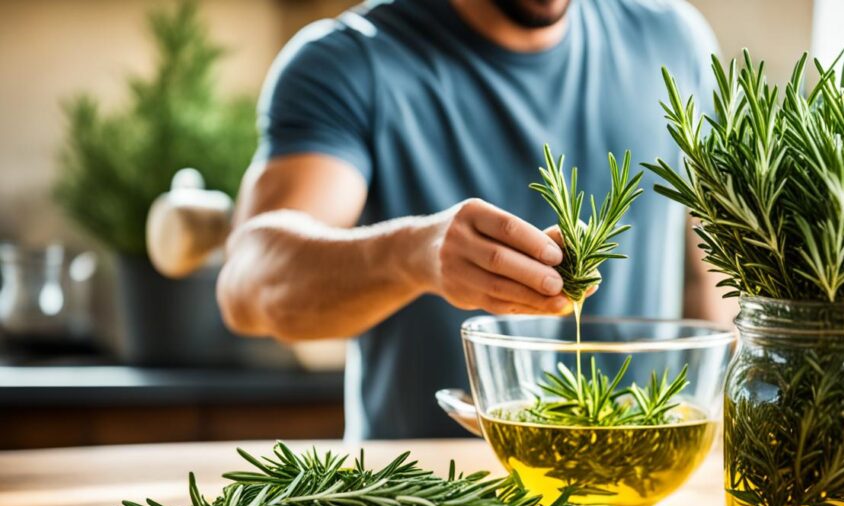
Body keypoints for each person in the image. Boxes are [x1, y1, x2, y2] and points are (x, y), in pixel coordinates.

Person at [217, 0, 728, 440]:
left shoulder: (673, 43)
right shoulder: (351, 62)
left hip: (645, 486)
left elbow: (711, 283)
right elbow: (248, 288)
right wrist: (414, 254)